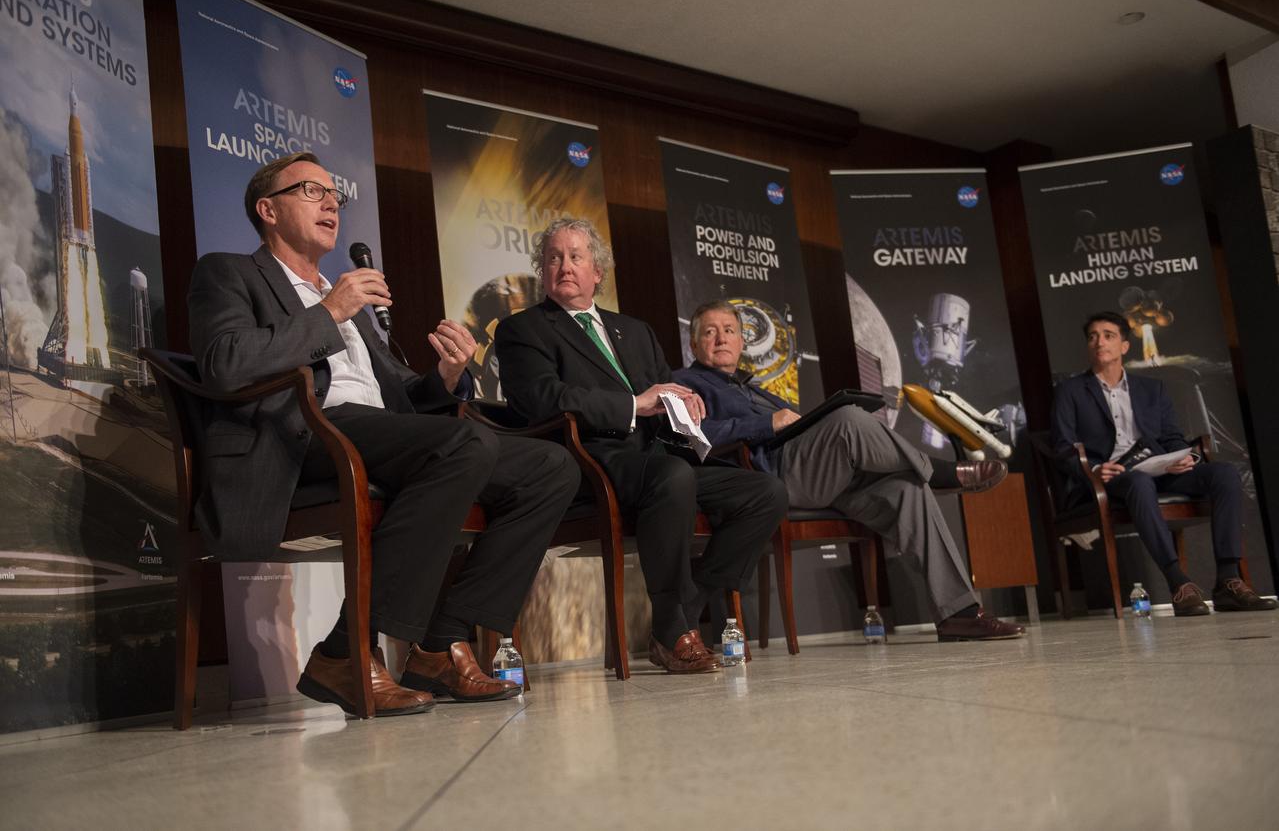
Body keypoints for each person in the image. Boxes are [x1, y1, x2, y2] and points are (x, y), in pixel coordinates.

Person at [187, 152, 581, 717]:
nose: (330, 203)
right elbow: (224, 363)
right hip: (300, 436)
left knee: (551, 468)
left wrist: (445, 377)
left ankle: (440, 644)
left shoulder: (343, 294)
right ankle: (347, 651)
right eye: (310, 191)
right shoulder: (229, 272)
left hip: (371, 433)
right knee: (465, 444)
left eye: (334, 195)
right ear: (267, 210)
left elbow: (399, 399)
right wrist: (329, 312)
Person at [493, 217, 789, 673]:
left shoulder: (633, 329)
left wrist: (683, 408)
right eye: (553, 258)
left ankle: (683, 608)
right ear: (542, 271)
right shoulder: (523, 330)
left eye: (576, 257)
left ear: (598, 272)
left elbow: (660, 397)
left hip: (661, 458)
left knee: (764, 493)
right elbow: (544, 400)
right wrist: (635, 403)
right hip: (591, 460)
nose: (564, 266)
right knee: (673, 476)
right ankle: (674, 632)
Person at [672, 300, 1024, 641]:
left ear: (741, 340)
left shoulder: (755, 388)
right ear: (694, 342)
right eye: (710, 332)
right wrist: (766, 423)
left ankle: (959, 615)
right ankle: (942, 472)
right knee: (849, 419)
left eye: (729, 330)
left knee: (908, 488)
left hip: (822, 476)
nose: (721, 338)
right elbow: (693, 437)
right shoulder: (685, 383)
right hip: (770, 479)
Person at [1050, 310, 1273, 615]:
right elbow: (1062, 446)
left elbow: (1172, 436)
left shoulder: (1151, 389)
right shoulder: (1070, 391)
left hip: (1159, 469)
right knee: (1138, 482)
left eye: (1108, 335)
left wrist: (1182, 457)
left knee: (1224, 474)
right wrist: (1096, 469)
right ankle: (1178, 582)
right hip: (1112, 476)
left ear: (1125, 346)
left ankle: (1228, 580)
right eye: (1093, 337)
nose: (1099, 342)